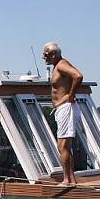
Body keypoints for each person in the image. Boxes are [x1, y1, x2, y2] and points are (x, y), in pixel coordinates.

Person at [42, 42, 83, 186]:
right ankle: (71, 179)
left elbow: (78, 76)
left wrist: (71, 95)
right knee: (65, 146)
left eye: (46, 54)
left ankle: (67, 180)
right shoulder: (58, 66)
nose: (43, 57)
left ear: (54, 54)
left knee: (63, 146)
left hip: (66, 107)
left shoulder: (61, 65)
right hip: (62, 108)